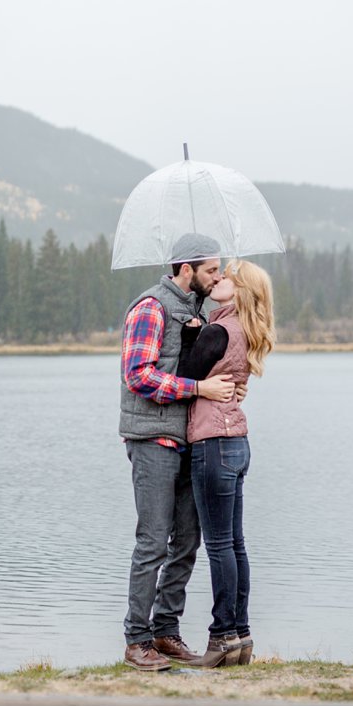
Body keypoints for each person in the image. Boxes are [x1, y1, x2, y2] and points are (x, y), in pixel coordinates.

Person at [119, 232, 239, 672]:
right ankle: (137, 640)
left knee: (187, 539)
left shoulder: (194, 309)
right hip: (152, 438)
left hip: (189, 438)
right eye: (211, 270)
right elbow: (138, 376)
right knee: (152, 541)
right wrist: (198, 388)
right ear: (186, 269)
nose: (218, 276)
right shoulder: (150, 307)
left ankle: (166, 631)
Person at [177, 259, 276, 668]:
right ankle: (242, 635)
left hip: (213, 443)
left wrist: (188, 339)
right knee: (235, 543)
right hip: (237, 442)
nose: (218, 280)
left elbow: (184, 377)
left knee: (219, 545)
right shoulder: (244, 330)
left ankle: (221, 638)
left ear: (239, 291)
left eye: (227, 277)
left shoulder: (218, 331)